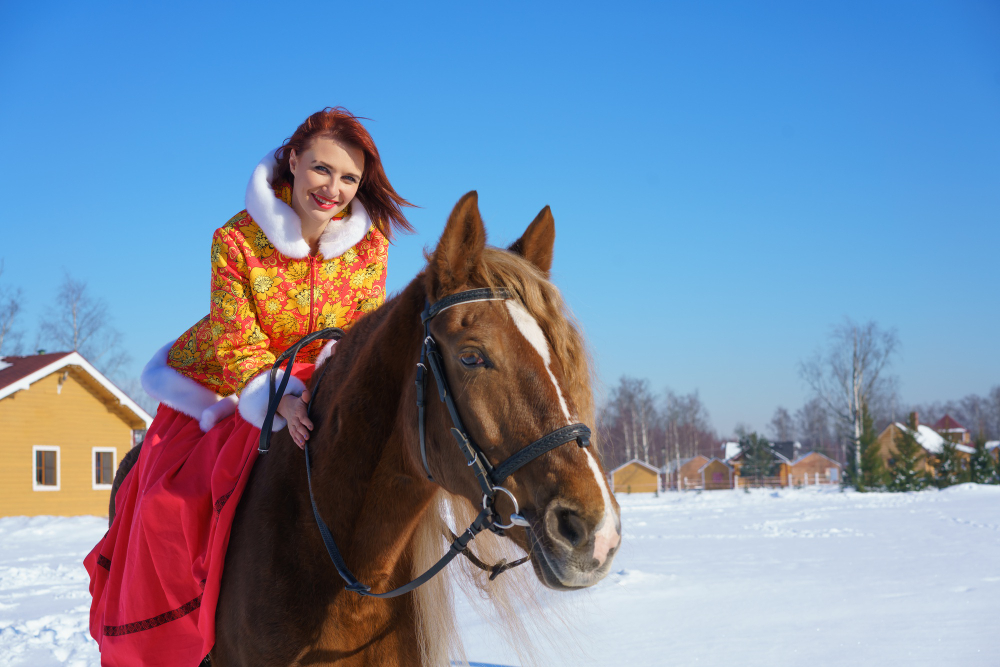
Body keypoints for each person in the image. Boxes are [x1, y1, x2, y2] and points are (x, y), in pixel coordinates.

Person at [85, 107, 413, 666]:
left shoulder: (371, 247)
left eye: (349, 178)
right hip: (230, 383)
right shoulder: (235, 239)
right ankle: (185, 635)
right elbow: (237, 335)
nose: (333, 189)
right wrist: (275, 396)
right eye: (321, 169)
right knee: (172, 503)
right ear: (293, 160)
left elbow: (358, 332)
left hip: (319, 376)